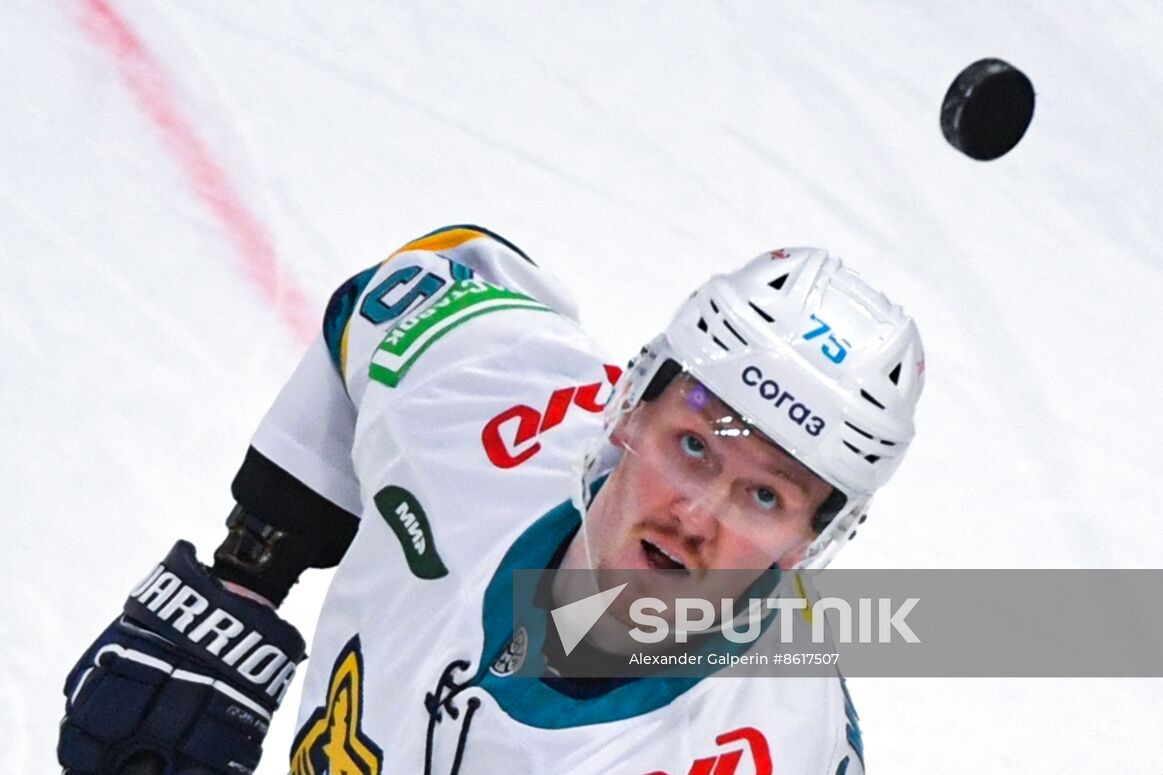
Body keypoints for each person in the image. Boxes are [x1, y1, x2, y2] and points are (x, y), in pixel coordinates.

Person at [58, 225, 924, 775]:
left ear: (805, 545)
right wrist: (248, 575)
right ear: (628, 407)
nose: (696, 517)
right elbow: (407, 288)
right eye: (692, 446)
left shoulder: (759, 745)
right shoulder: (488, 417)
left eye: (764, 495)